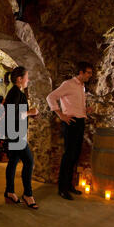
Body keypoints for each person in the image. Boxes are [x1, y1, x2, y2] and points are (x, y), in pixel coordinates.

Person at [46, 62, 93, 200]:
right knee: (68, 156)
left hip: (80, 122)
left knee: (75, 155)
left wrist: (86, 110)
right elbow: (50, 97)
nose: (90, 75)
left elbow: (75, 105)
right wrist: (60, 115)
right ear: (81, 72)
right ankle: (62, 188)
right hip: (71, 123)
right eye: (88, 73)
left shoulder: (82, 87)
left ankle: (69, 185)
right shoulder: (68, 84)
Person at [4, 66, 39, 209]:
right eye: (27, 77)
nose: (28, 80)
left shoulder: (16, 92)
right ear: (19, 79)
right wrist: (31, 112)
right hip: (16, 134)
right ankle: (28, 194)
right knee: (29, 162)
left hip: (14, 132)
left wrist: (30, 114)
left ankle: (9, 192)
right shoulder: (15, 93)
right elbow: (13, 114)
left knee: (13, 161)